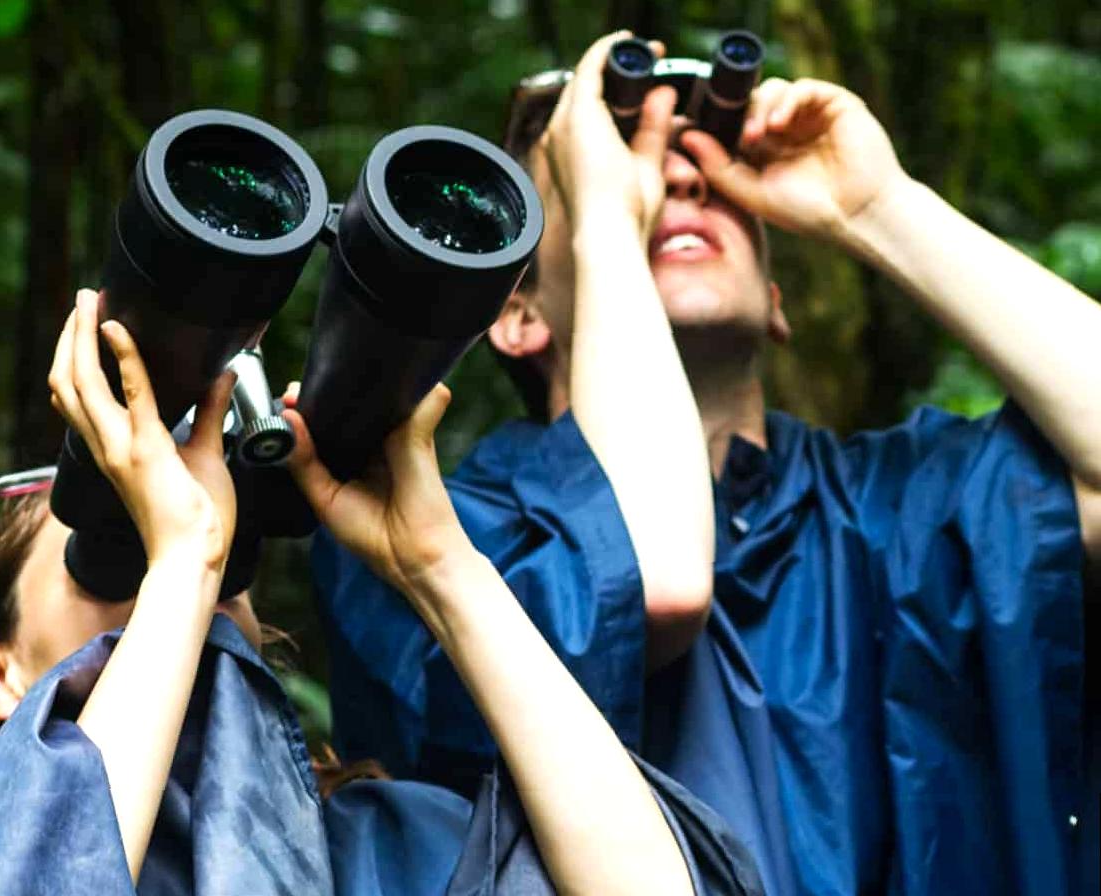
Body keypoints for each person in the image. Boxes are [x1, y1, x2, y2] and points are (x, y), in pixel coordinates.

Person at [310, 31, 1101, 896]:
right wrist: (612, 225)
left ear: (776, 302)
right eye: (604, 167)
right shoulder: (410, 529)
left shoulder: (898, 505)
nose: (675, 177)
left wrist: (877, 209)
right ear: (516, 314)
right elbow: (652, 575)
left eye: (703, 158)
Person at [0, 289, 763, 896]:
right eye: (116, 547)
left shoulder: (395, 839)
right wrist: (181, 565)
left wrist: (443, 569)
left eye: (220, 562)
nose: (192, 552)